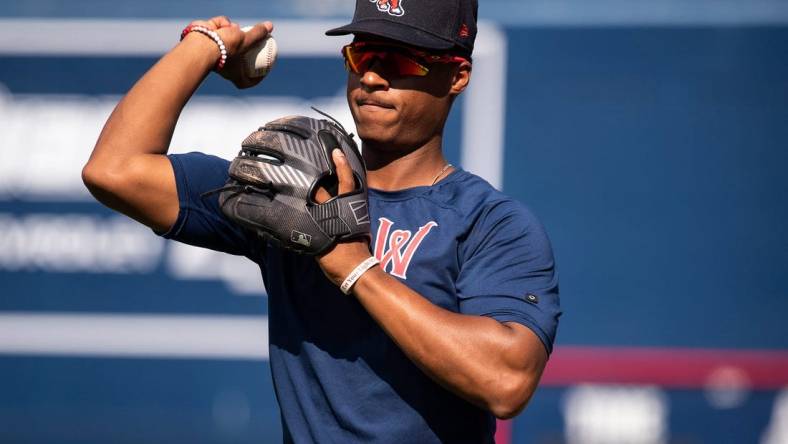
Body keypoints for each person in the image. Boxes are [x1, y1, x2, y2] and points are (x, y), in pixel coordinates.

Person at [82, 0, 561, 442]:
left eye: (397, 61)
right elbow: (114, 171)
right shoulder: (294, 192)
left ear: (456, 75)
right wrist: (205, 47)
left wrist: (357, 269)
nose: (372, 78)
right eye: (361, 57)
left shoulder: (490, 223)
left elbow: (506, 382)